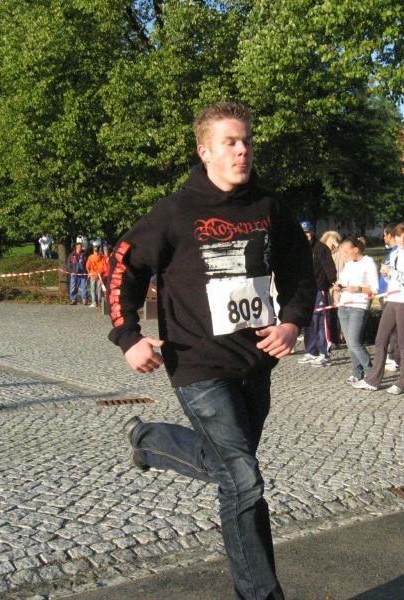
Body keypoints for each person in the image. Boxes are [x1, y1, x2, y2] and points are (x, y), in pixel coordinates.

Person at [108, 101, 315, 600]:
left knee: (228, 466)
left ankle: (149, 440)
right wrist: (128, 336)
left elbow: (300, 270)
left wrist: (292, 322)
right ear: (205, 151)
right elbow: (124, 266)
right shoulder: (175, 212)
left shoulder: (268, 206)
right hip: (197, 364)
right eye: (230, 142)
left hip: (255, 360)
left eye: (247, 141)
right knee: (243, 480)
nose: (243, 151)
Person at [354, 222, 404, 395]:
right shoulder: (396, 252)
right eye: (399, 236)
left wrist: (393, 273)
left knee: (403, 342)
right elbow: (393, 278)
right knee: (381, 339)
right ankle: (373, 379)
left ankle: (403, 382)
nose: (402, 240)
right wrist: (386, 275)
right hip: (392, 298)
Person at [334, 236, 379, 385]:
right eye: (343, 253)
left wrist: (358, 289)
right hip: (344, 305)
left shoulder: (368, 263)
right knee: (349, 343)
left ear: (355, 249)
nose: (344, 256)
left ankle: (371, 373)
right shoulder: (348, 265)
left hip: (359, 306)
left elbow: (375, 289)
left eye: (346, 252)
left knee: (354, 342)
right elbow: (342, 282)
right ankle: (356, 372)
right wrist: (338, 286)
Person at [297, 221, 337, 366]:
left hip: (319, 289)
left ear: (312, 232)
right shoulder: (298, 248)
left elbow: (329, 267)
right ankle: (311, 351)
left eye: (308, 232)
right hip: (305, 290)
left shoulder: (321, 248)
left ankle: (324, 353)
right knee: (308, 322)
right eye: (303, 233)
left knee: (321, 321)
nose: (306, 235)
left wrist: (332, 281)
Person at [379, 223, 401, 372]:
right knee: (390, 329)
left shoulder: (398, 252)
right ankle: (391, 355)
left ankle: (394, 358)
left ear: (389, 235)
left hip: (392, 295)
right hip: (385, 294)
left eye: (384, 235)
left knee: (395, 329)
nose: (383, 238)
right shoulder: (391, 252)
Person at [321, 230, 344, 348]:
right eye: (329, 242)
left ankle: (342, 336)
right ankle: (333, 339)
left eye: (334, 242)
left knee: (340, 314)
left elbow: (346, 253)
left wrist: (337, 245)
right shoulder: (322, 254)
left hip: (341, 287)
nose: (331, 245)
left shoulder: (341, 253)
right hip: (328, 288)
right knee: (330, 315)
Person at [85, 242, 106, 308]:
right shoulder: (102, 257)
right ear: (99, 250)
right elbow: (104, 266)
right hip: (100, 275)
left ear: (93, 250)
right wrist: (102, 272)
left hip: (93, 274)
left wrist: (89, 272)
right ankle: (99, 303)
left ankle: (94, 303)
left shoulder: (90, 257)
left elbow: (87, 266)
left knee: (93, 289)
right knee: (99, 290)